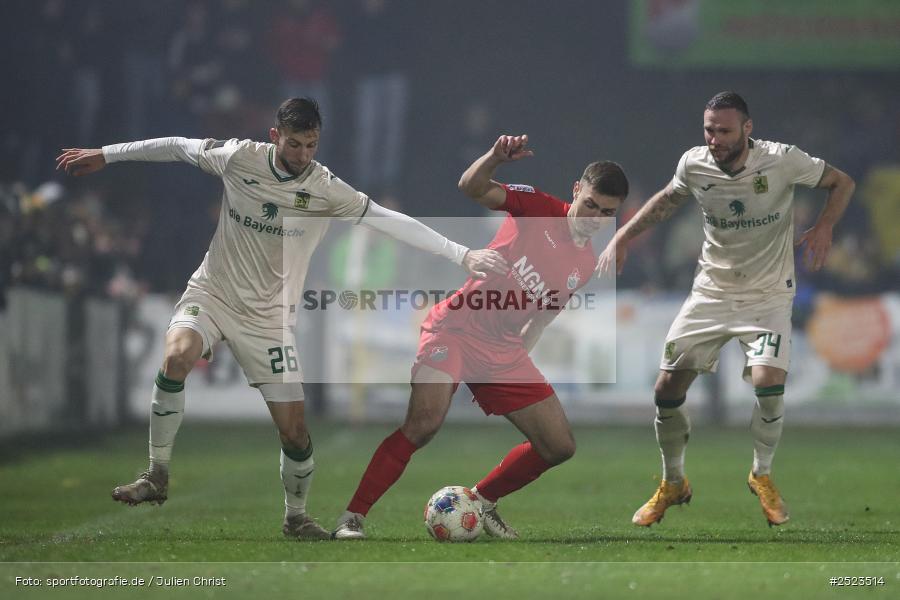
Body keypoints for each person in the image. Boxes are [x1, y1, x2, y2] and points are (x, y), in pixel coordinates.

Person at [56, 97, 507, 540]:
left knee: (294, 431)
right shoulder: (238, 157)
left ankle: (296, 518)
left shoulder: (326, 187)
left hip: (269, 319)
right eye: (294, 144)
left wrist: (461, 253)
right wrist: (106, 155)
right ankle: (156, 475)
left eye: (311, 145)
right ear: (275, 136)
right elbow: (176, 144)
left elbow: (389, 220)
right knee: (177, 356)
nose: (303, 155)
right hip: (212, 293)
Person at [333, 134, 628, 539]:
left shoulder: (586, 263)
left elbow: (539, 321)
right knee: (423, 424)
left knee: (559, 445)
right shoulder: (538, 207)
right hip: (455, 328)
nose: (594, 216)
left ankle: (482, 501)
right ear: (577, 190)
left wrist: (509, 375)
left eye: (606, 212)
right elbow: (470, 187)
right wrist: (493, 158)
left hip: (502, 350)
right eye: (590, 203)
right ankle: (352, 518)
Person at [596, 91, 855, 527]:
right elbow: (664, 201)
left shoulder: (781, 160)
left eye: (724, 130)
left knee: (768, 379)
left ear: (747, 129)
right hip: (711, 292)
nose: (715, 138)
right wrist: (622, 236)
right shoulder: (694, 164)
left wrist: (824, 225)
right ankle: (673, 482)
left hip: (768, 292)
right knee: (665, 391)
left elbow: (841, 182)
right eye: (709, 129)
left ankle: (762, 474)